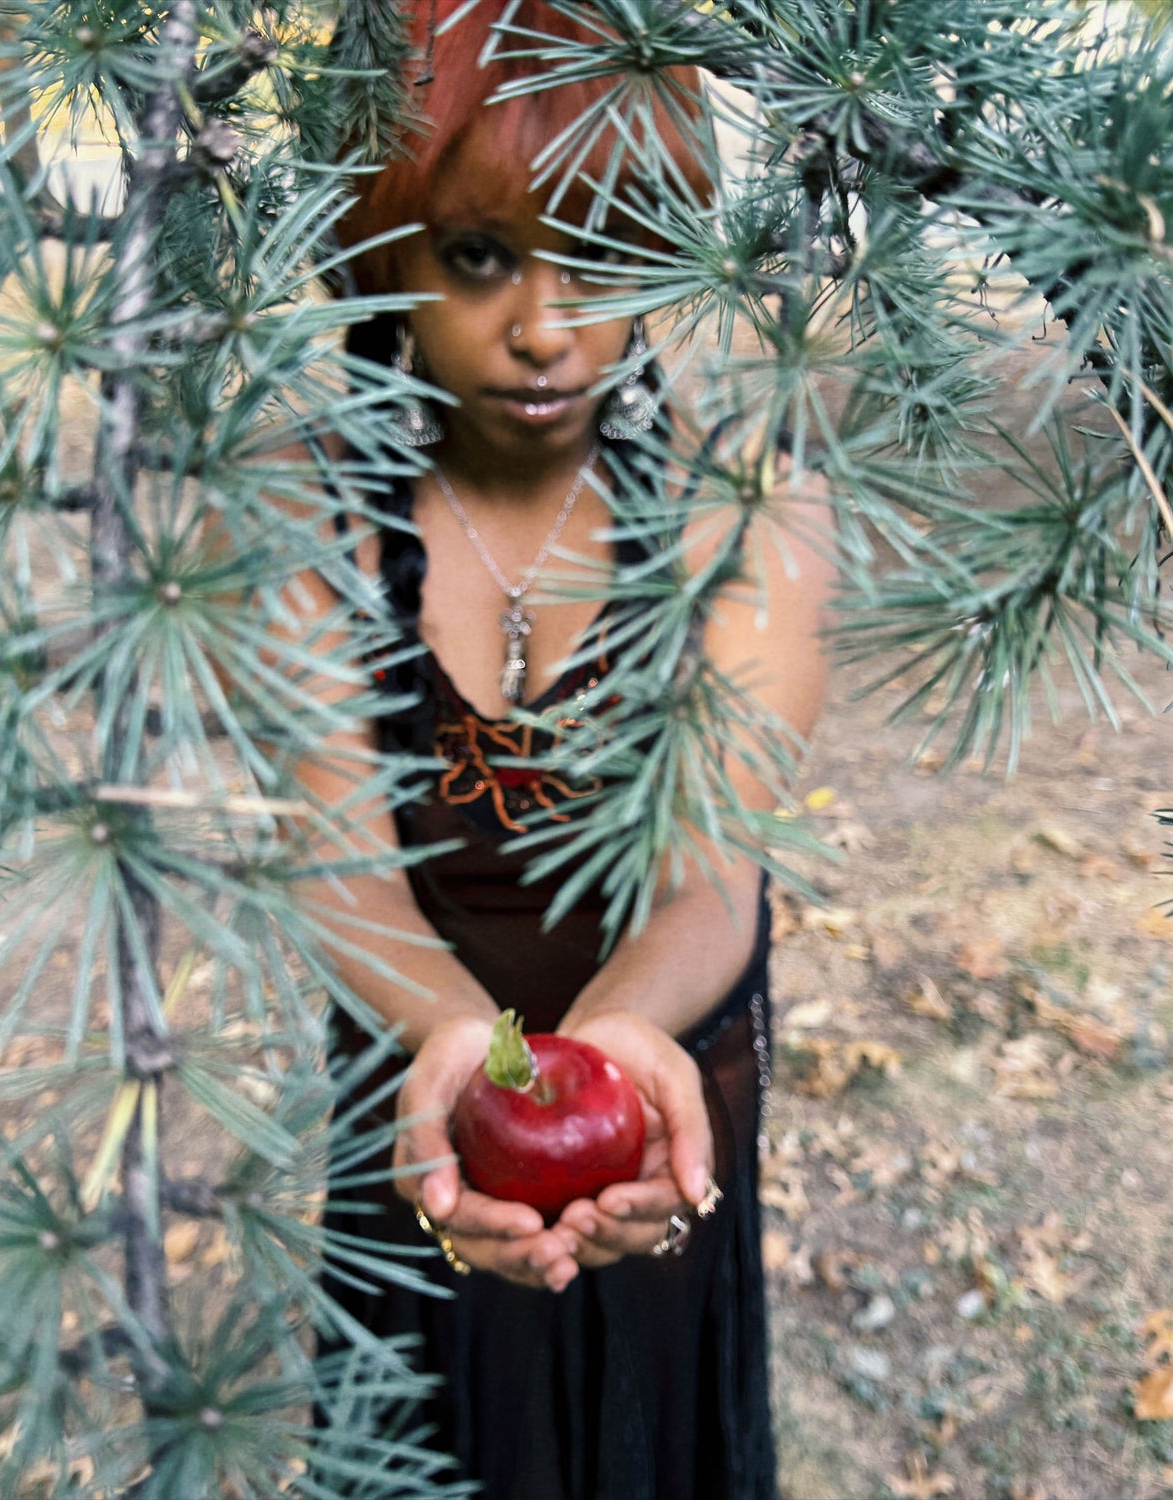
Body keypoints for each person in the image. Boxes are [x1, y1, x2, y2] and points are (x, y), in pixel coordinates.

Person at [287, 3, 834, 1494]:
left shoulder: (742, 509)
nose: (550, 325)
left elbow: (713, 873)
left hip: (662, 1081)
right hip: (410, 1077)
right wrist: (470, 1058)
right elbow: (338, 878)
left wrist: (608, 1056)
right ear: (382, 250)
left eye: (605, 247)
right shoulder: (315, 514)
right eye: (479, 257)